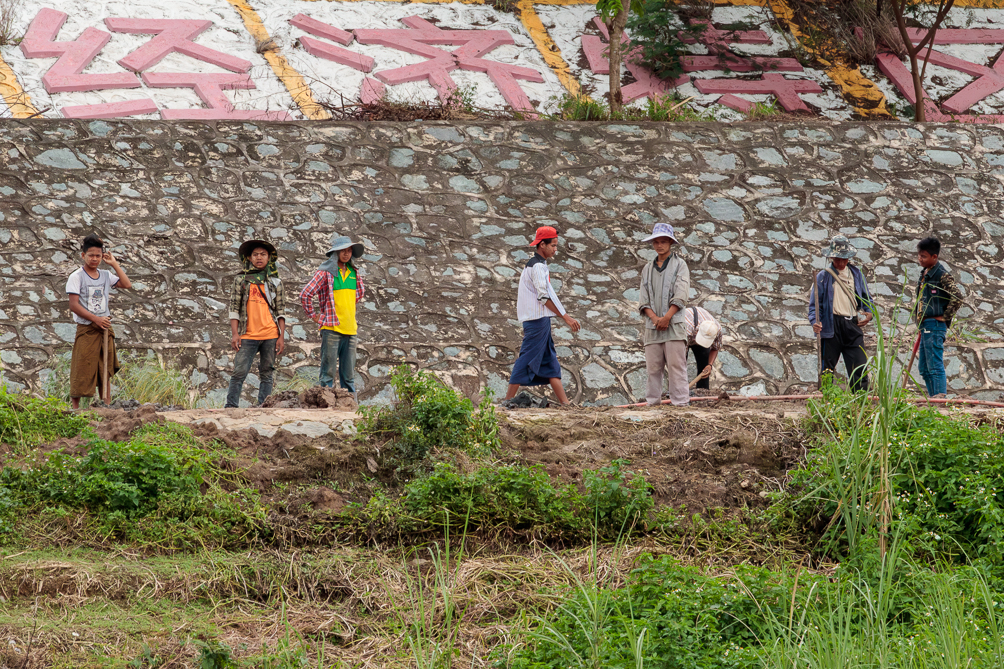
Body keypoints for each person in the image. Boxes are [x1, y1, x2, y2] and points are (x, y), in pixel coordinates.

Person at [504, 226, 581, 405]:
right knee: (526, 358)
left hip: (540, 320)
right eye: (552, 245)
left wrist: (563, 315)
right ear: (542, 245)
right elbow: (544, 297)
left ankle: (566, 404)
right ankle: (507, 401)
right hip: (536, 320)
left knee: (549, 361)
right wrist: (566, 318)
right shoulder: (537, 266)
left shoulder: (537, 264)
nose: (555, 249)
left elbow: (549, 294)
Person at [66, 233, 132, 410]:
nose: (95, 259)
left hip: (104, 328)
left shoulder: (105, 274)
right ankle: (75, 408)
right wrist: (96, 319)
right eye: (91, 255)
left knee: (105, 366)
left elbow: (126, 284)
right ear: (83, 256)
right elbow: (73, 305)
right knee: (82, 365)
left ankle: (106, 405)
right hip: (87, 328)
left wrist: (114, 264)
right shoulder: (76, 277)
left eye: (98, 256)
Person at [300, 235, 365, 396]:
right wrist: (314, 316)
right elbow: (305, 294)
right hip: (331, 328)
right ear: (335, 253)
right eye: (342, 250)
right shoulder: (325, 272)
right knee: (327, 373)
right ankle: (326, 407)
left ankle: (350, 409)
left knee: (349, 376)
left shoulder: (353, 272)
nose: (346, 254)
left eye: (349, 250)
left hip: (350, 329)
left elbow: (359, 294)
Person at [808, 235, 873, 393]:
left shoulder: (857, 275)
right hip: (831, 326)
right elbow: (814, 306)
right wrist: (815, 322)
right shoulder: (823, 277)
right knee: (827, 369)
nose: (841, 263)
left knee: (859, 367)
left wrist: (869, 313)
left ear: (849, 258)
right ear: (831, 257)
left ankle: (861, 402)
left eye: (844, 259)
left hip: (852, 325)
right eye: (837, 259)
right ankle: (827, 401)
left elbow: (866, 299)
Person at [226, 239, 286, 408]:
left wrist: (281, 336)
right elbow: (234, 308)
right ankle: (231, 407)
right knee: (239, 372)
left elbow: (280, 311)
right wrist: (235, 333)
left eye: (263, 254)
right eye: (255, 254)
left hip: (271, 335)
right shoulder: (241, 280)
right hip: (247, 335)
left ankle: (264, 408)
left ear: (269, 258)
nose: (259, 257)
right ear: (250, 258)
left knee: (267, 373)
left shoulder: (276, 283)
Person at [638, 222, 690, 406]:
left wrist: (667, 317)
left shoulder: (680, 265)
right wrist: (655, 318)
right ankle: (652, 404)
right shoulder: (647, 269)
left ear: (670, 243)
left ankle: (681, 404)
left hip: (674, 324)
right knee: (653, 368)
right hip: (652, 327)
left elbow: (681, 294)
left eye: (663, 241)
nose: (659, 245)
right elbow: (643, 299)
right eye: (656, 242)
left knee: (677, 367)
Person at [914, 236, 964, 398]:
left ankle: (939, 401)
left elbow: (957, 296)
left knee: (934, 366)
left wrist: (945, 316)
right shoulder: (925, 273)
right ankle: (933, 398)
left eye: (924, 256)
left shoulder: (941, 275)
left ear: (934, 257)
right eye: (919, 255)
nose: (920, 259)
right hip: (926, 325)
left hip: (935, 326)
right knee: (924, 368)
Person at [684, 307, 724, 390]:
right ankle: (678, 392)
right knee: (680, 365)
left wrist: (709, 365)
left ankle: (702, 392)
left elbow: (715, 348)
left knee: (704, 362)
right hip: (686, 331)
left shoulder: (717, 330)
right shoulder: (687, 328)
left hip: (697, 329)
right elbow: (680, 358)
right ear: (697, 332)